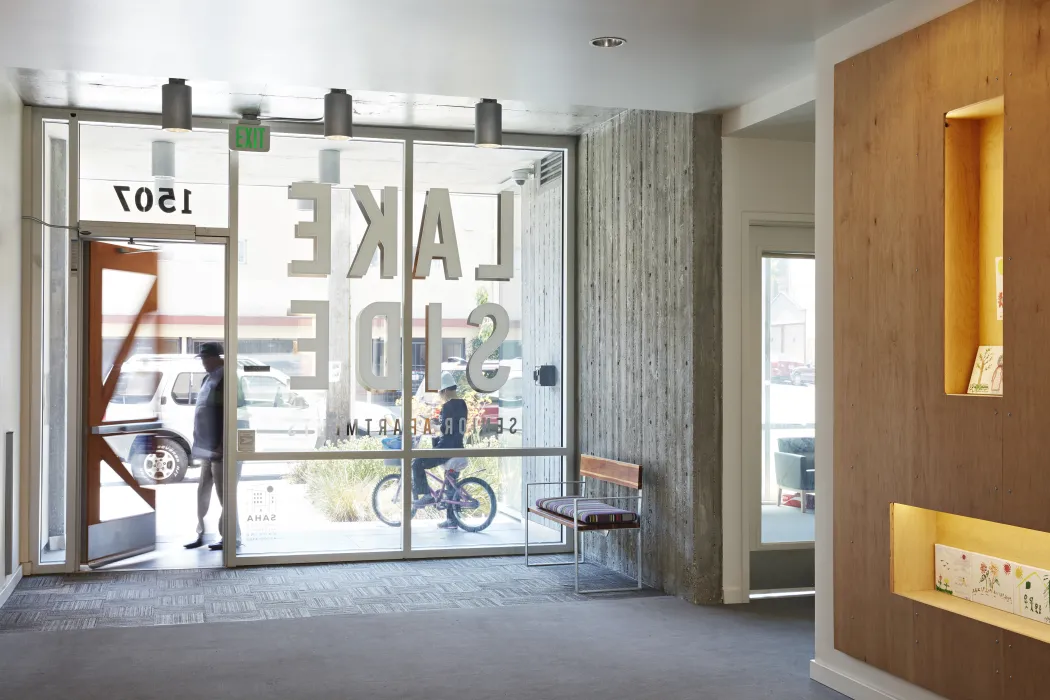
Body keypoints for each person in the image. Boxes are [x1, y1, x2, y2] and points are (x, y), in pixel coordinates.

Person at [185, 342, 242, 551]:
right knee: (203, 492)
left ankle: (230, 537)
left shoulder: (228, 378)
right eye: (202, 359)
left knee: (224, 493)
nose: (203, 363)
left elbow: (231, 413)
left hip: (220, 448)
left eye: (206, 358)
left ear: (219, 357)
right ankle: (202, 534)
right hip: (206, 447)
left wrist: (221, 444)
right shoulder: (208, 379)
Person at [411, 372, 468, 530]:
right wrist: (440, 422)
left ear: (444, 391)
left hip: (447, 449)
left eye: (439, 392)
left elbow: (444, 429)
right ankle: (452, 520)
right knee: (451, 487)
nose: (439, 396)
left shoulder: (447, 406)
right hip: (458, 447)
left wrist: (434, 425)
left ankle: (427, 495)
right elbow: (453, 426)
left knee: (417, 463)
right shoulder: (462, 404)